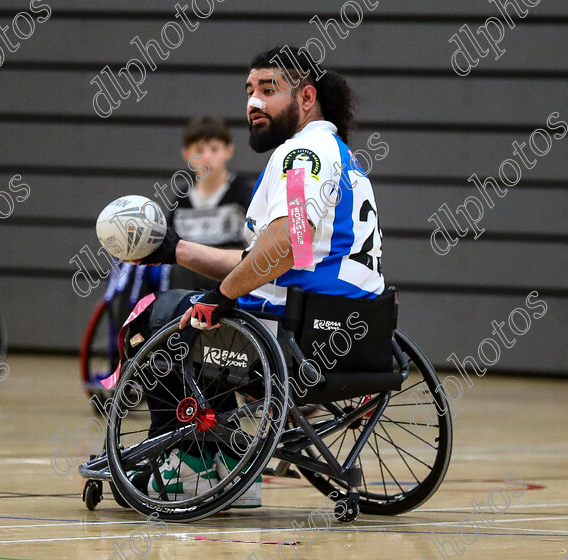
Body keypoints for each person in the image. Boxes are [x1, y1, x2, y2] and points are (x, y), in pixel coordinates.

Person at [128, 46, 384, 507]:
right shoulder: (341, 156)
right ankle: (219, 459)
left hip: (301, 336)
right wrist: (176, 250)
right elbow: (268, 257)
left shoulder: (300, 155)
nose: (254, 102)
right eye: (249, 90)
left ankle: (203, 464)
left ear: (307, 97)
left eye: (269, 90)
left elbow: (285, 246)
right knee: (197, 305)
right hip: (354, 333)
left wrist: (221, 298)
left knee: (162, 314)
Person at [165, 116, 253, 292]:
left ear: (229, 151)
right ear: (187, 155)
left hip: (231, 282)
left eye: (214, 149)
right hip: (188, 287)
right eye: (199, 150)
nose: (207, 157)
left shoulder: (243, 194)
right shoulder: (180, 201)